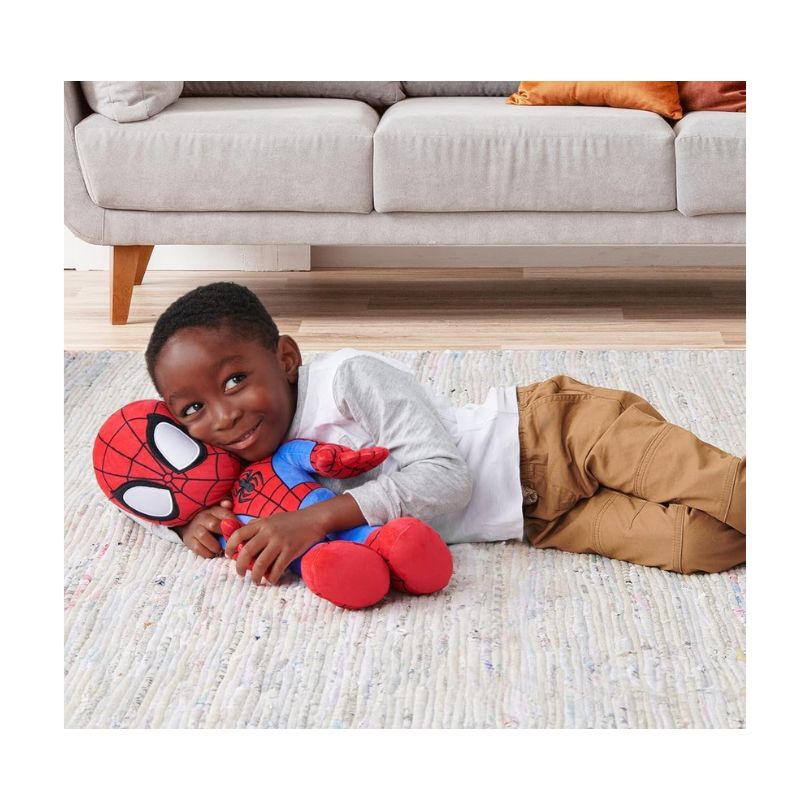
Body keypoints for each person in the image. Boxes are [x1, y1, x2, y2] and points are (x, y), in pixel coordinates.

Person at [139, 281, 745, 587]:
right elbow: (131, 478)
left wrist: (315, 520)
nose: (222, 417)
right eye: (193, 409)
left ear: (287, 359)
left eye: (236, 379)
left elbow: (446, 479)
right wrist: (186, 525)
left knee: (732, 493)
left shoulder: (347, 379)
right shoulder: (239, 470)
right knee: (703, 546)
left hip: (553, 434)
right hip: (537, 520)